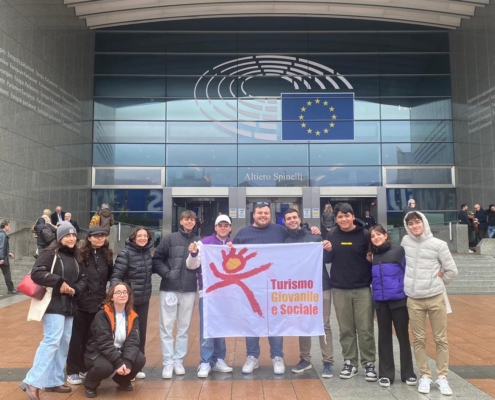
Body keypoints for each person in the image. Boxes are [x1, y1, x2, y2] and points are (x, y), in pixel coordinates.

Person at [19, 221, 87, 400]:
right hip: (53, 304)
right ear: (60, 237)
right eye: (67, 235)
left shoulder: (76, 257)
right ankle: (32, 381)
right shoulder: (49, 253)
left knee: (64, 343)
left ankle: (54, 380)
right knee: (51, 341)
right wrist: (59, 282)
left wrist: (74, 289)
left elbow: (83, 279)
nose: (71, 238)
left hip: (69, 305)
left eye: (73, 235)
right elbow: (37, 273)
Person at [401, 211, 458, 395]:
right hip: (414, 299)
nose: (414, 226)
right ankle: (424, 375)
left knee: (440, 338)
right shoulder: (405, 242)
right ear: (407, 226)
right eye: (410, 223)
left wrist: (439, 282)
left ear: (424, 222)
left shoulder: (439, 244)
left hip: (435, 297)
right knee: (418, 339)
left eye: (417, 222)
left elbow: (451, 271)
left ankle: (442, 377)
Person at [233, 202, 287, 374]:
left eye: (266, 213)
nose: (263, 215)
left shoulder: (281, 231)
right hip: (251, 288)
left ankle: (277, 357)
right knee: (251, 321)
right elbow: (233, 257)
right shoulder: (243, 233)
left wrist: (312, 232)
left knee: (275, 321)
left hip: (275, 286)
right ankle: (252, 357)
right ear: (253, 214)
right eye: (259, 213)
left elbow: (298, 243)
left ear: (270, 215)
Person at [325, 203, 377, 382]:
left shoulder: (365, 234)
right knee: (346, 330)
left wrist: (371, 258)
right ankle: (350, 362)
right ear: (336, 219)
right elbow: (327, 259)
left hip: (362, 288)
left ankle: (369, 363)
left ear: (353, 217)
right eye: (340, 217)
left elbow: (375, 255)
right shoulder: (332, 234)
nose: (343, 219)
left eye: (347, 215)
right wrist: (327, 250)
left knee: (365, 329)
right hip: (340, 289)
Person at [284, 208, 334, 379]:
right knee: (303, 323)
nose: (292, 220)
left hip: (321, 285)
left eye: (294, 217)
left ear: (299, 219)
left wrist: (328, 248)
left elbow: (327, 259)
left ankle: (328, 361)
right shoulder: (286, 242)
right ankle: (305, 359)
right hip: (300, 288)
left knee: (324, 324)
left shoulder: (315, 237)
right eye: (288, 218)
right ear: (285, 222)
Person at [152, 210, 200, 379]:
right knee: (166, 327)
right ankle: (168, 362)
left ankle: (178, 360)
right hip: (169, 289)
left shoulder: (199, 241)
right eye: (187, 219)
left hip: (189, 289)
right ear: (181, 221)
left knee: (184, 328)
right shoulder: (169, 239)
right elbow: (156, 259)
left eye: (192, 220)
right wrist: (167, 274)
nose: (189, 222)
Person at [186, 215, 234, 378]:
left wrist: (233, 252)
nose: (223, 228)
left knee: (221, 325)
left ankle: (219, 358)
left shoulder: (232, 245)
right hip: (207, 292)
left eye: (226, 225)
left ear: (230, 228)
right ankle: (206, 360)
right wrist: (193, 254)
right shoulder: (203, 243)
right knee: (207, 326)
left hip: (225, 293)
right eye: (220, 225)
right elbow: (191, 265)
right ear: (215, 227)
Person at [368, 225, 416, 388]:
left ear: (385, 235)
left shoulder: (398, 251)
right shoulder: (372, 255)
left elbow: (408, 272)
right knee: (384, 338)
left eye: (378, 234)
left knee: (403, 337)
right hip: (381, 302)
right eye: (372, 236)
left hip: (398, 300)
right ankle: (386, 374)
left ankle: (408, 373)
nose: (376, 238)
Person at [66, 226, 113, 385]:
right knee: (76, 339)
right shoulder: (79, 254)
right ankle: (72, 371)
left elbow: (110, 277)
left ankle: (83, 367)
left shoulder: (107, 255)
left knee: (89, 338)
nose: (100, 239)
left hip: (98, 304)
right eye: (97, 236)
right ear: (89, 238)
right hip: (80, 304)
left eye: (103, 236)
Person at [83, 283, 146, 398]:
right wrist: (118, 362)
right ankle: (90, 385)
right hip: (98, 351)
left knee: (139, 359)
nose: (122, 295)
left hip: (120, 350)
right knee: (105, 368)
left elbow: (133, 341)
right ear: (111, 297)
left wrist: (127, 362)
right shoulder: (102, 315)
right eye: (118, 292)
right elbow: (104, 342)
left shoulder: (133, 316)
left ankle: (122, 380)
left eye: (125, 292)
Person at [111, 226, 154, 380]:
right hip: (129, 301)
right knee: (128, 333)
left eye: (145, 236)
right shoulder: (125, 253)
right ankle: (124, 365)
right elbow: (116, 276)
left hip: (144, 300)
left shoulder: (147, 253)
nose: (143, 238)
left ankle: (137, 366)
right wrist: (118, 295)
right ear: (133, 238)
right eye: (139, 236)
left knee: (140, 333)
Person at [0, 220, 17, 294]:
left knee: (7, 274)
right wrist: (1, 258)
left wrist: (8, 253)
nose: (10, 227)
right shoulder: (3, 235)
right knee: (7, 274)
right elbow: (1, 247)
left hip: (3, 256)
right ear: (5, 226)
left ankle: (11, 289)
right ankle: (10, 289)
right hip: (3, 259)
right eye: (9, 226)